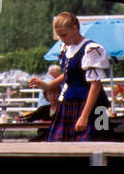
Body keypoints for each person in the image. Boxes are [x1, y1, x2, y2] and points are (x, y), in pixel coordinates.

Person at [30, 12, 107, 142]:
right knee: (59, 144)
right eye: (60, 36)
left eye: (64, 35)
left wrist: (84, 116)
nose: (62, 39)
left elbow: (96, 85)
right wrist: (48, 85)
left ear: (75, 28)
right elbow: (68, 74)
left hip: (90, 105)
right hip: (69, 101)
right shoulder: (67, 48)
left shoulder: (91, 49)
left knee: (91, 146)